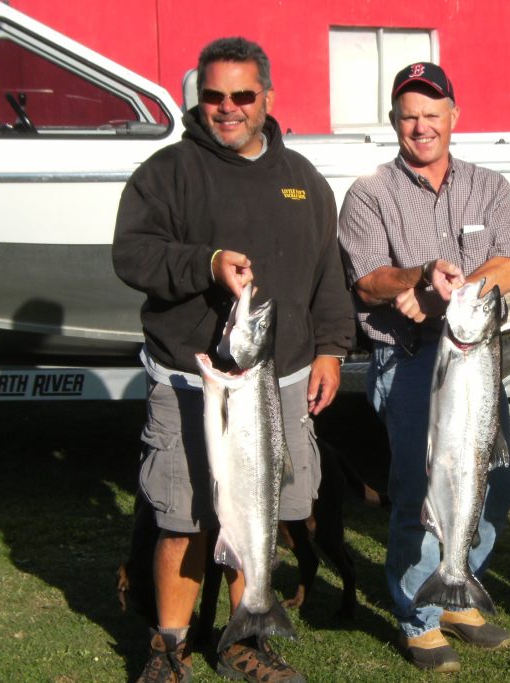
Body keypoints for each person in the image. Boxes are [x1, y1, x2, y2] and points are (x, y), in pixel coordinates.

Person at [112, 37, 353, 683]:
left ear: (266, 97)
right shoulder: (167, 172)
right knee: (183, 521)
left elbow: (328, 275)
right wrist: (207, 262)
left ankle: (245, 638)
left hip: (282, 383)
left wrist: (332, 349)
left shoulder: (303, 179)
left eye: (242, 95)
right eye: (214, 95)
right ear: (199, 98)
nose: (227, 107)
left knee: (258, 515)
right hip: (190, 382)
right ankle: (169, 647)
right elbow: (132, 255)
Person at [337, 62, 510, 673]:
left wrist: (451, 293)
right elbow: (367, 282)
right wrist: (416, 278)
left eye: (432, 114)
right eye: (409, 116)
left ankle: (456, 584)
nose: (422, 126)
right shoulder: (370, 193)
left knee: (496, 484)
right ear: (395, 121)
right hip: (412, 359)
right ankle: (419, 615)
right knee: (421, 491)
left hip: (476, 355)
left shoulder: (488, 185)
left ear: (454, 116)